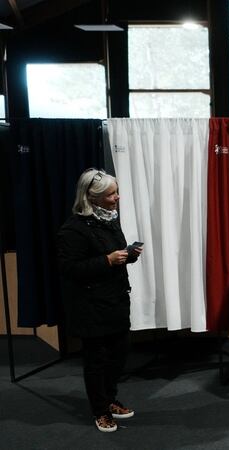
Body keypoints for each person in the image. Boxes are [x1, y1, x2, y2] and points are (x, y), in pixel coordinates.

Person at [57, 168, 143, 433]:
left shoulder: (109, 220)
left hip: (116, 300)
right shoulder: (73, 229)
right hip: (90, 306)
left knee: (119, 355)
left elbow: (114, 254)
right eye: (111, 194)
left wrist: (129, 255)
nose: (117, 197)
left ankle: (110, 398)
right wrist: (107, 260)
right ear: (92, 198)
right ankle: (100, 411)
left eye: (116, 192)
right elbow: (69, 269)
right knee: (97, 360)